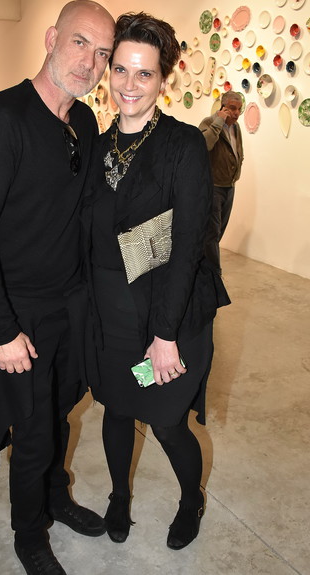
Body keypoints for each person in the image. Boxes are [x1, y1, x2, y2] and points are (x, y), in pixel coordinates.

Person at [0, 2, 115, 574]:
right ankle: (29, 534)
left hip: (71, 305)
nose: (90, 62)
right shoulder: (5, 118)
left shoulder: (85, 122)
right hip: (20, 311)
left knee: (58, 415)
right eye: (80, 43)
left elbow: (89, 211)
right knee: (31, 432)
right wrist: (1, 330)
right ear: (51, 39)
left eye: (103, 53)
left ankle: (55, 498)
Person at [80, 12, 230, 551]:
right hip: (111, 319)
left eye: (144, 73)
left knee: (167, 422)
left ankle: (192, 499)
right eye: (120, 69)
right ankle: (119, 495)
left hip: (169, 317)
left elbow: (189, 243)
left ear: (163, 78)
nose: (129, 84)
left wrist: (164, 336)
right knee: (117, 409)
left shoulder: (182, 144)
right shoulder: (96, 147)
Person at [199, 91, 244, 274]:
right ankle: (214, 274)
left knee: (219, 232)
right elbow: (204, 145)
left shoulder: (236, 127)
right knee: (212, 233)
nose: (236, 113)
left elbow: (237, 149)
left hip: (229, 186)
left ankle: (205, 268)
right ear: (223, 107)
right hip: (213, 187)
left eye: (239, 109)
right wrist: (219, 121)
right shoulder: (209, 122)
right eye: (232, 108)